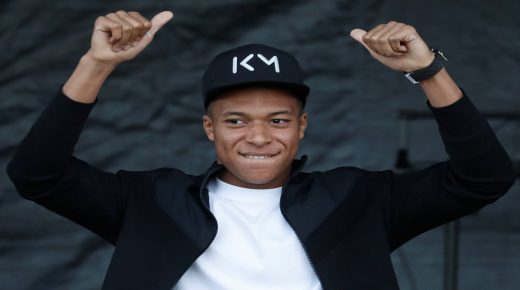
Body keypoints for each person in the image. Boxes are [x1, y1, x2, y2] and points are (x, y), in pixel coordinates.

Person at [6, 9, 515, 290]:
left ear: (302, 127)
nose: (258, 137)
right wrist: (97, 65)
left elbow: (485, 177)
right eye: (235, 121)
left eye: (277, 120)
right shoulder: (148, 201)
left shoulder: (358, 200)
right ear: (210, 128)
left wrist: (428, 72)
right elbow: (37, 174)